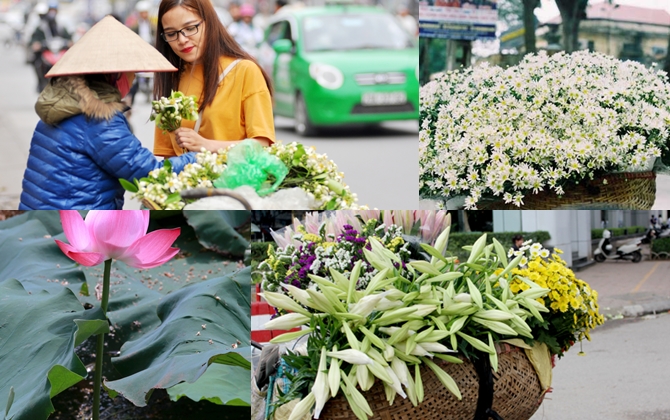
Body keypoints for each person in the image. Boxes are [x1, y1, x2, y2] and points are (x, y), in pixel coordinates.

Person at [20, 16, 198, 210]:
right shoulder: (98, 119)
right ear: (116, 75)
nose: (132, 80)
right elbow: (149, 173)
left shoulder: (64, 103)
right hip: (71, 223)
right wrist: (199, 156)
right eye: (132, 73)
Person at [153, 0, 275, 157]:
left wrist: (207, 145)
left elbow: (262, 146)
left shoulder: (245, 71)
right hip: (187, 181)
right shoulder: (171, 78)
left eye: (190, 28)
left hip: (234, 180)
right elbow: (168, 156)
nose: (182, 40)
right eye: (171, 34)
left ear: (209, 23)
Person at [29, 1, 72, 92]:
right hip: (46, 51)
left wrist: (69, 42)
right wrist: (36, 44)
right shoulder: (41, 26)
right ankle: (41, 83)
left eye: (54, 10)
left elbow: (68, 37)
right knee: (37, 62)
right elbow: (34, 39)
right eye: (51, 10)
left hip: (59, 52)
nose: (52, 12)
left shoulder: (60, 25)